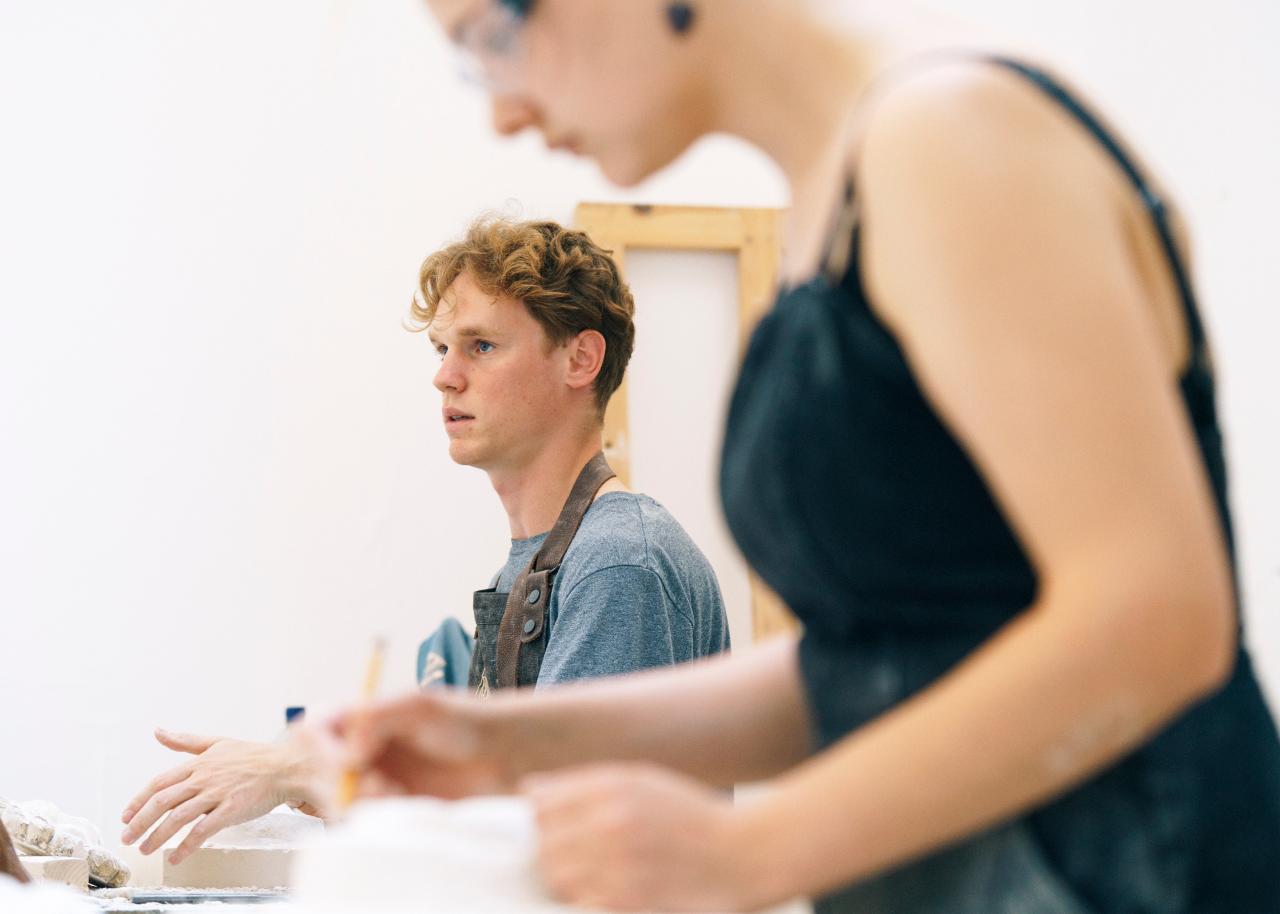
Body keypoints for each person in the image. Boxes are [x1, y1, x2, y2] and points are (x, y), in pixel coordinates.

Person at [119, 216, 731, 864]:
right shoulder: (537, 565)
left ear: (580, 359)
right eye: (441, 349)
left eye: (481, 346)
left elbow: (564, 836)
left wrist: (300, 770)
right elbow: (486, 821)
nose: (446, 376)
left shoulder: (616, 563)